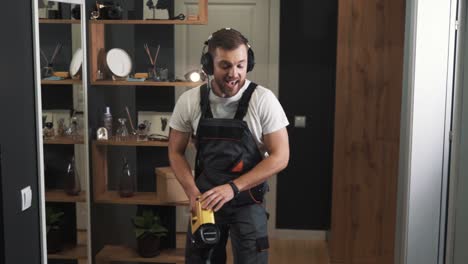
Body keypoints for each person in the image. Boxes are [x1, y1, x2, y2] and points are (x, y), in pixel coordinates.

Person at [168, 28, 289, 264]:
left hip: (247, 200)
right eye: (225, 65)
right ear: (208, 64)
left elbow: (281, 156)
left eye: (241, 65)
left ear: (248, 64)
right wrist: (192, 193)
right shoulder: (190, 101)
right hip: (206, 201)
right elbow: (175, 151)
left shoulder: (263, 100)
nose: (234, 73)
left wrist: (233, 187)